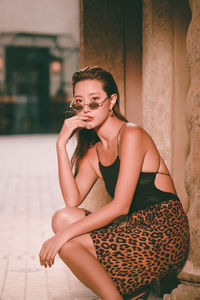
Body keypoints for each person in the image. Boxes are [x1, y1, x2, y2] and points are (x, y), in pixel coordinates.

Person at [39, 66, 189, 300]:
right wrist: (60, 144)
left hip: (162, 231)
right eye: (79, 103)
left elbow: (120, 206)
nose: (86, 109)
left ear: (112, 101)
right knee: (61, 217)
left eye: (94, 101)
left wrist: (62, 237)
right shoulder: (93, 153)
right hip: (131, 228)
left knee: (67, 245)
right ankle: (134, 290)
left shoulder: (131, 134)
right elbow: (71, 200)